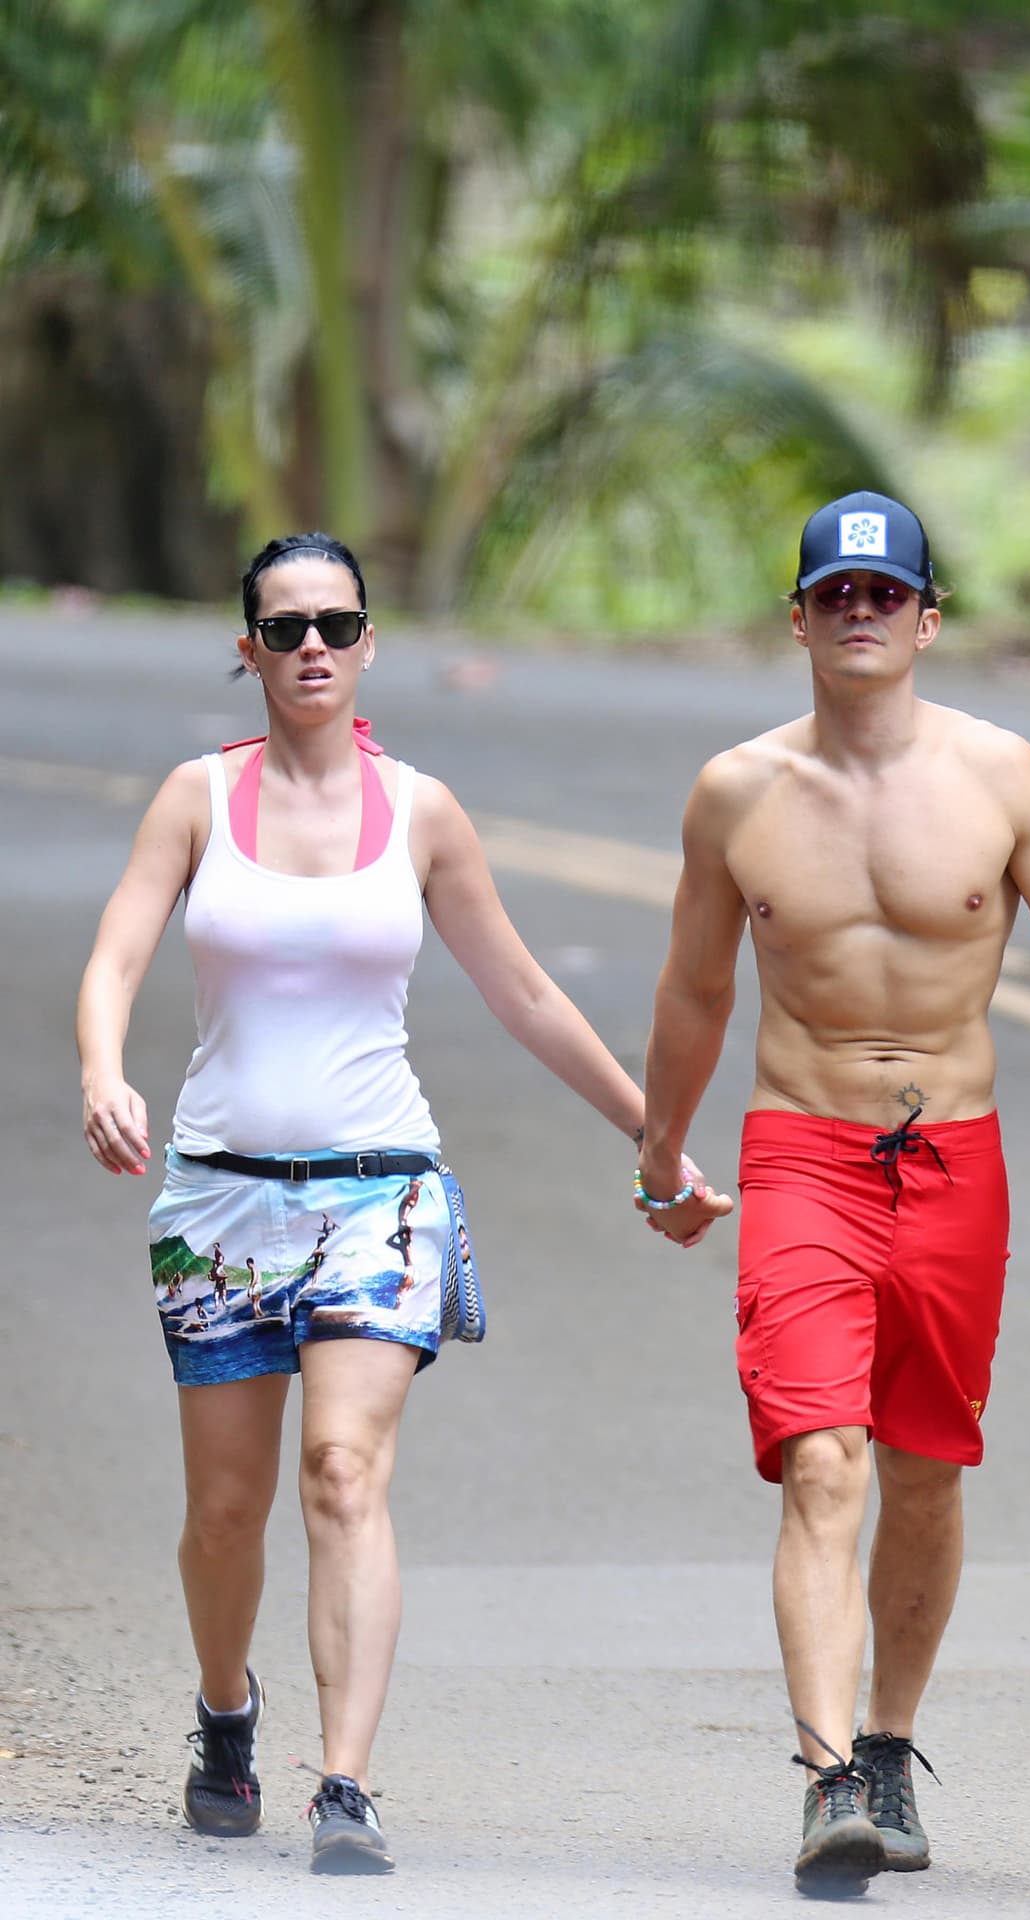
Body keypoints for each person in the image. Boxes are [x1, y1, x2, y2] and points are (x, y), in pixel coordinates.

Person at [77, 531, 722, 1876]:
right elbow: (119, 950)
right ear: (248, 651)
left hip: (382, 1194)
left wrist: (654, 1139)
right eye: (286, 624)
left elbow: (528, 994)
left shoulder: (422, 813)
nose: (313, 643)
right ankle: (226, 1710)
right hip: (217, 1201)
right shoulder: (196, 798)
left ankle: (347, 1784)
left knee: (343, 1472)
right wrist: (102, 1071)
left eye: (338, 622)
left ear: (367, 647)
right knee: (225, 1511)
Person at [632, 490, 1030, 1898]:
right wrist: (662, 1148)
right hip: (799, 1149)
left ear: (927, 618)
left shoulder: (1004, 777)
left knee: (924, 1469)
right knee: (821, 1459)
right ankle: (828, 1781)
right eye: (836, 596)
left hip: (954, 1158)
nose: (861, 614)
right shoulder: (737, 792)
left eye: (887, 597)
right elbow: (698, 985)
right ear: (802, 620)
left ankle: (888, 1745)